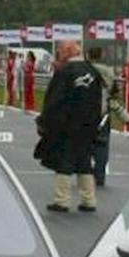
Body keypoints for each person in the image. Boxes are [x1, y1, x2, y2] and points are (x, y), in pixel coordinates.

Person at [34, 39, 104, 215]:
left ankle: (61, 200)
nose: (59, 54)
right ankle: (89, 200)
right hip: (88, 125)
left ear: (67, 51)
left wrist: (44, 122)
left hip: (67, 125)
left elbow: (54, 100)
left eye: (60, 51)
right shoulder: (92, 72)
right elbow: (98, 101)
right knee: (84, 161)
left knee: (64, 160)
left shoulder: (64, 72)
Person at [86, 45, 116, 188]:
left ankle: (85, 172)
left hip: (85, 113)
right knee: (102, 145)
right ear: (101, 55)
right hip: (103, 113)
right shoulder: (109, 71)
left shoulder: (84, 69)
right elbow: (115, 91)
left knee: (83, 143)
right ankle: (100, 175)